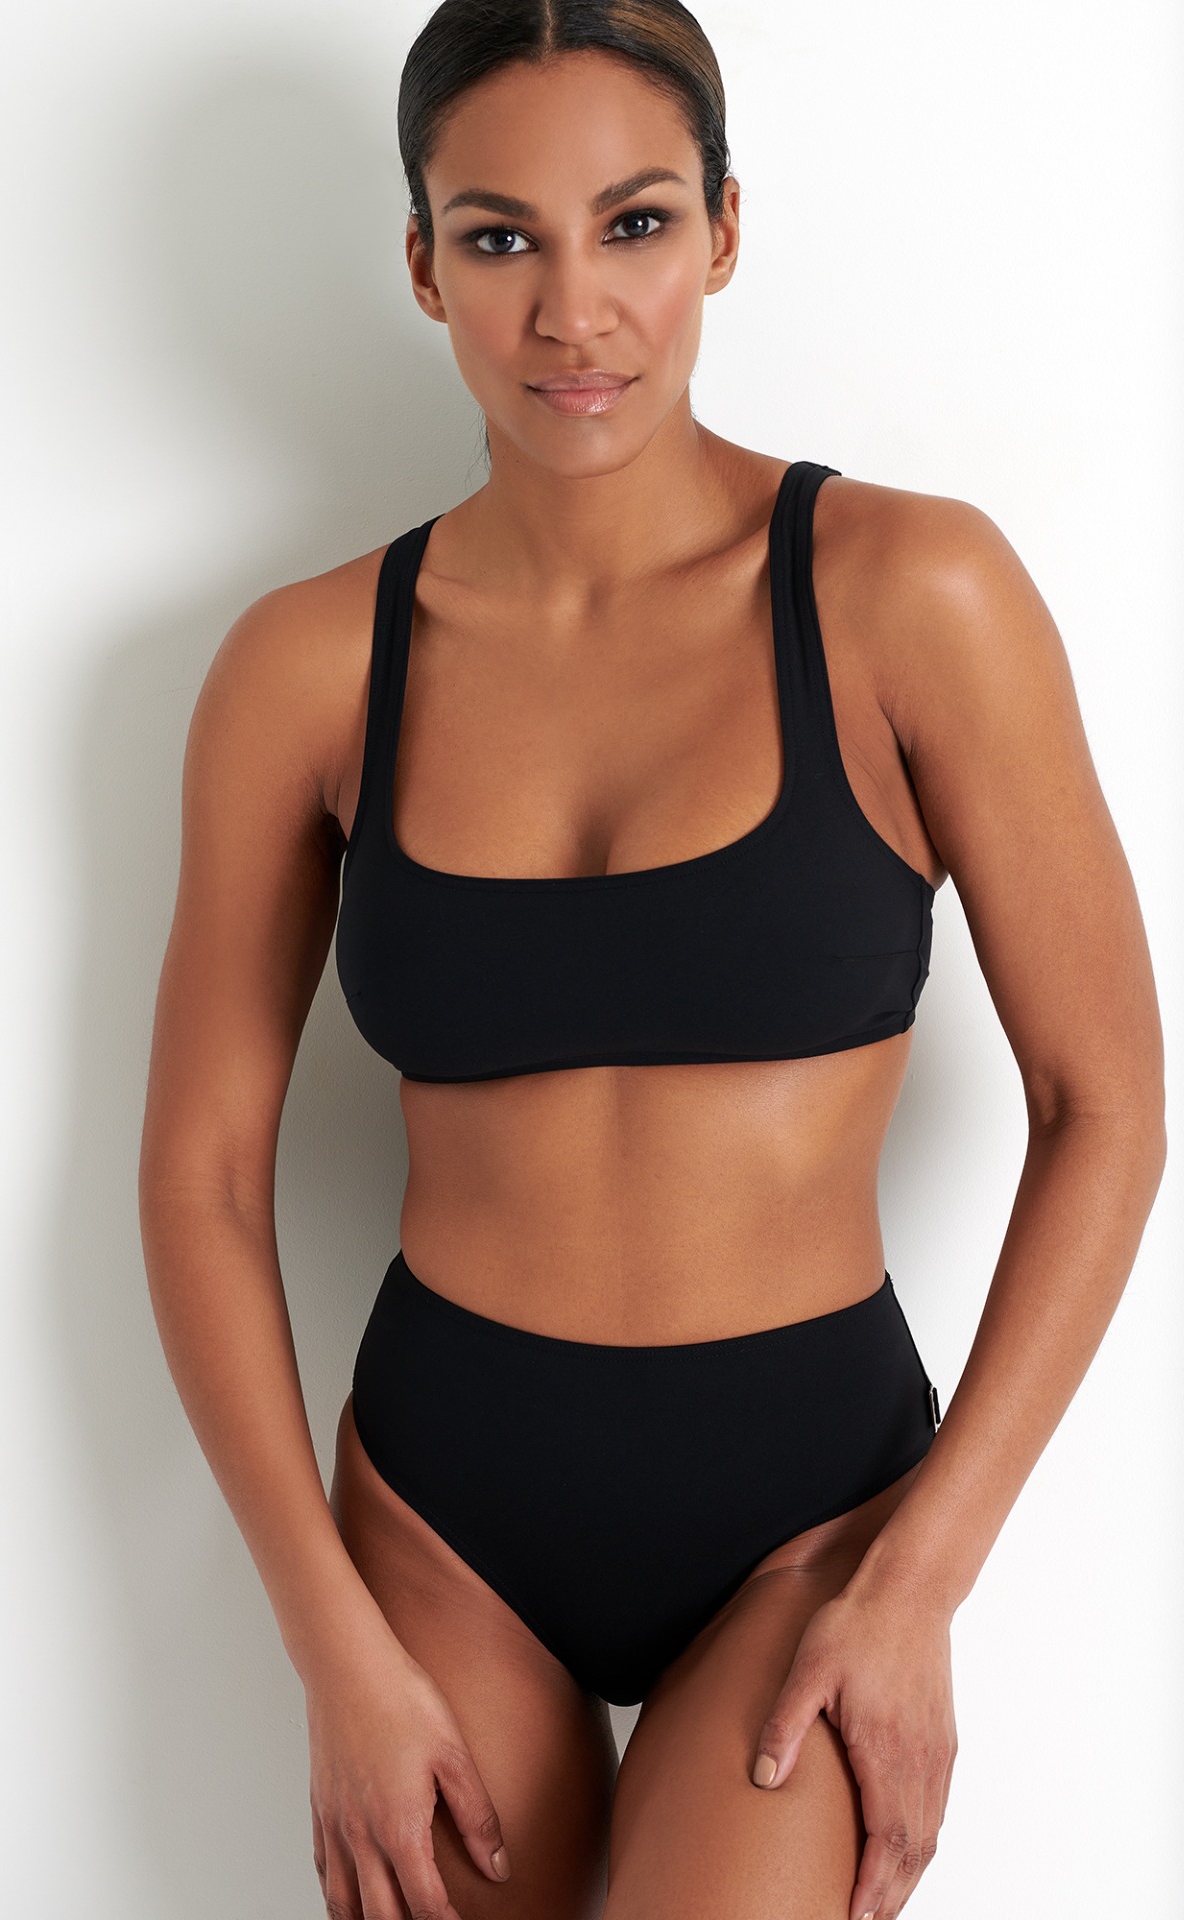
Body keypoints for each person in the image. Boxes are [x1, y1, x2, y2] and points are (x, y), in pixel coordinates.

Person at [137, 3, 1167, 1916]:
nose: (572, 311)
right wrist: (326, 1637)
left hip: (813, 1524)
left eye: (633, 223)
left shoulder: (911, 594)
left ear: (725, 228)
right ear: (422, 262)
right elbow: (201, 1175)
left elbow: (1103, 1103)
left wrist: (921, 1581)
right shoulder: (306, 668)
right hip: (439, 1524)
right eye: (499, 237)